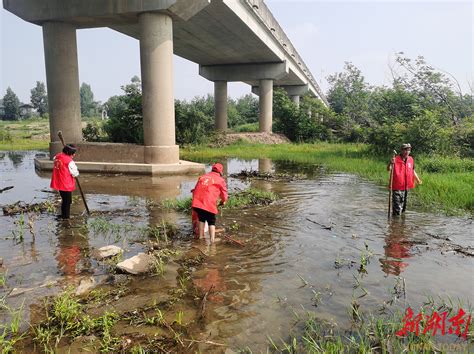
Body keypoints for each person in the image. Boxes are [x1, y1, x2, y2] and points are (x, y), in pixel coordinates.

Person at [192, 163, 228, 243]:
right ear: (221, 172)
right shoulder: (220, 180)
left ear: (212, 169)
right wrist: (223, 201)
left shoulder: (203, 176)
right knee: (211, 222)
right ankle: (212, 240)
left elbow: (196, 189)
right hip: (208, 203)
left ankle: (201, 237)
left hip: (198, 202)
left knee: (201, 219)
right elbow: (224, 193)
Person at [387, 143, 422, 216]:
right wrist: (390, 163)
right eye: (405, 150)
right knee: (396, 209)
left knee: (403, 208)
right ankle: (395, 225)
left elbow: (412, 171)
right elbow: (388, 169)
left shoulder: (411, 159)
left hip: (406, 187)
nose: (407, 152)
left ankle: (401, 224)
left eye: (408, 150)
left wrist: (417, 179)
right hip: (396, 187)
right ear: (401, 150)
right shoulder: (395, 159)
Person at [50, 144, 79, 219]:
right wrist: (76, 174)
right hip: (66, 183)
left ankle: (63, 215)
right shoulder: (69, 161)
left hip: (59, 182)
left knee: (64, 199)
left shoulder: (57, 156)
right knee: (68, 201)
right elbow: (75, 173)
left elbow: (54, 159)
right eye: (73, 153)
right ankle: (66, 217)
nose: (74, 154)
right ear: (69, 153)